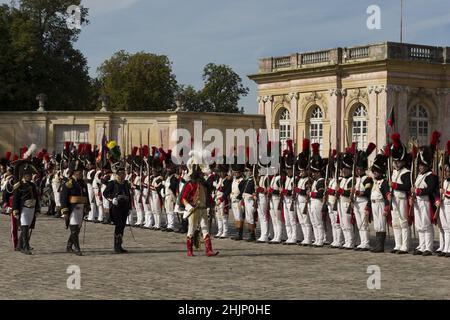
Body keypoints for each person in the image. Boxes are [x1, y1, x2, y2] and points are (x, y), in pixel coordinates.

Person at [181, 152, 218, 257]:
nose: (203, 176)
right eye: (201, 174)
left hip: (202, 209)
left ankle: (209, 250)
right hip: (193, 210)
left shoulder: (203, 185)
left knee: (205, 229)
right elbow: (183, 198)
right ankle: (189, 250)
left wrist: (211, 205)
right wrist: (189, 207)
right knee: (191, 230)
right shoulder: (190, 185)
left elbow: (207, 197)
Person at [412, 132, 440, 256]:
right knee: (419, 225)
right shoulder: (418, 175)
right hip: (418, 202)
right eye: (420, 165)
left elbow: (429, 190)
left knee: (426, 224)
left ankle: (428, 247)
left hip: (426, 202)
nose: (420, 167)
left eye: (422, 165)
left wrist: (417, 191)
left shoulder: (431, 176)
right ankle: (421, 245)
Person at [60, 159, 90, 256]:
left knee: (77, 229)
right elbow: (63, 198)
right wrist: (65, 211)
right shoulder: (69, 183)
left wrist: (87, 205)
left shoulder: (82, 183)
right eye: (79, 172)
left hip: (81, 209)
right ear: (74, 172)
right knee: (73, 228)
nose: (81, 173)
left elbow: (86, 195)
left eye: (82, 172)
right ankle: (77, 248)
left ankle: (69, 246)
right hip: (72, 208)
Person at [390, 133, 412, 254]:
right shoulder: (393, 172)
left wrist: (395, 185)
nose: (397, 163)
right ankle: (397, 244)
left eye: (399, 161)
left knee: (403, 222)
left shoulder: (406, 172)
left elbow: (407, 186)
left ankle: (405, 245)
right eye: (396, 161)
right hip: (394, 198)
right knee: (395, 223)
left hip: (402, 198)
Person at [12, 159, 40, 255]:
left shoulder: (32, 185)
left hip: (32, 209)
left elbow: (36, 198)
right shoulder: (19, 186)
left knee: (27, 228)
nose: (30, 176)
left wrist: (37, 209)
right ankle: (25, 247)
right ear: (24, 176)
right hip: (23, 209)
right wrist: (15, 210)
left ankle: (19, 245)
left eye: (30, 175)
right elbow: (16, 198)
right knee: (24, 228)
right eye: (28, 175)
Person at [103, 161, 132, 253]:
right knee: (119, 225)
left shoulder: (126, 184)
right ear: (117, 174)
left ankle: (119, 245)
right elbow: (105, 193)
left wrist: (130, 207)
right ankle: (116, 246)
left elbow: (128, 195)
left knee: (122, 226)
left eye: (124, 173)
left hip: (124, 207)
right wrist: (112, 199)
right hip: (116, 207)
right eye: (121, 173)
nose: (123, 175)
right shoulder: (112, 183)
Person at [353, 143, 376, 251]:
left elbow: (367, 192)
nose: (358, 170)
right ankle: (362, 242)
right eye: (357, 169)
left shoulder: (367, 179)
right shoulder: (356, 179)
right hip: (356, 202)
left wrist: (358, 193)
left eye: (360, 169)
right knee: (359, 224)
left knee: (364, 224)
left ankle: (366, 242)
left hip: (363, 202)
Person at [369, 151, 390, 253]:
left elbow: (387, 196)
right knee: (377, 225)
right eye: (374, 170)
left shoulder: (384, 183)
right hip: (374, 204)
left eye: (377, 170)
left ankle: (380, 246)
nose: (375, 172)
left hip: (380, 204)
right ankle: (377, 245)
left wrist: (386, 207)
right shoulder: (374, 182)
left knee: (381, 224)